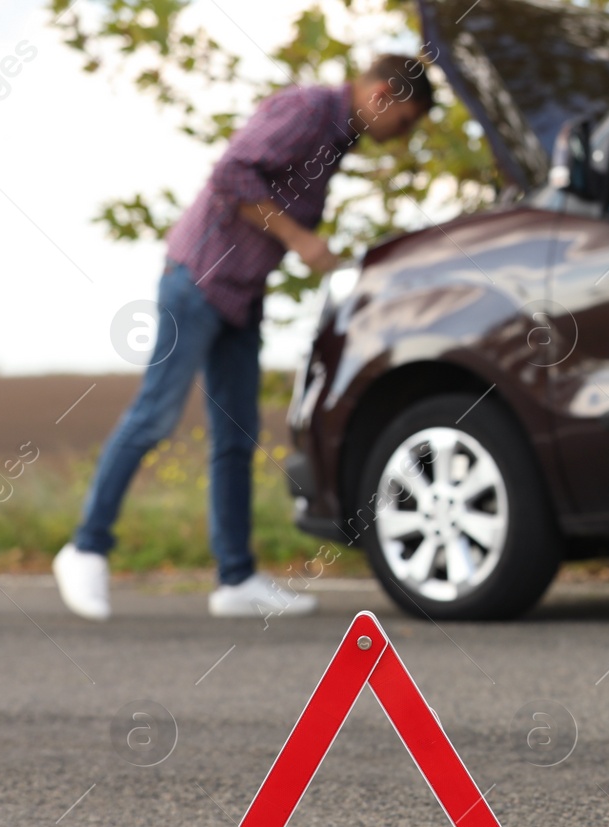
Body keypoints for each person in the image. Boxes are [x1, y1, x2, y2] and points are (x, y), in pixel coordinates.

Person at [54, 55, 434, 620]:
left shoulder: (338, 139)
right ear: (381, 95)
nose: (400, 138)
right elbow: (231, 173)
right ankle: (85, 548)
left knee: (237, 436)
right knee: (156, 414)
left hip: (242, 295)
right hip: (199, 281)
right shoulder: (307, 109)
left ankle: (235, 580)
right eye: (404, 123)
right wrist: (298, 238)